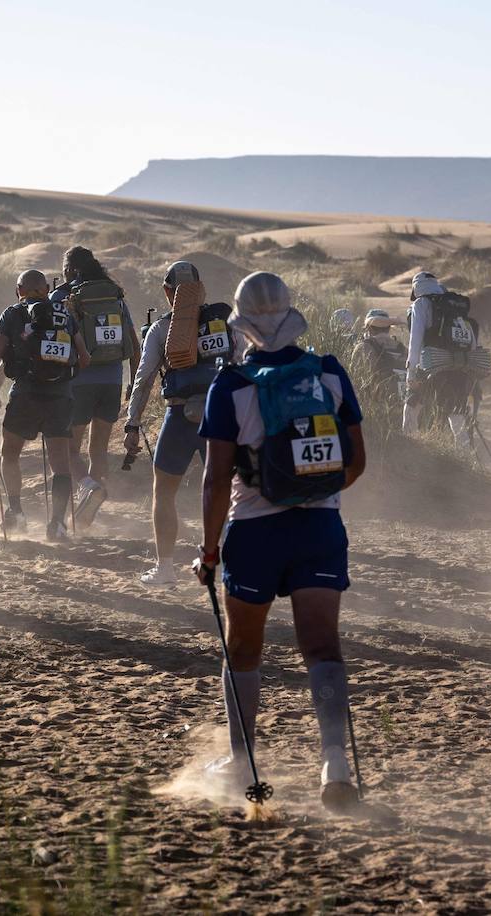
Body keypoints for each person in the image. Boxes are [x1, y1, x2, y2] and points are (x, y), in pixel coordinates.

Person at [195, 271, 366, 813]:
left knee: (243, 648)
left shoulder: (231, 385)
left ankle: (242, 760)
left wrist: (208, 548)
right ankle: (335, 763)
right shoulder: (330, 373)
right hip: (320, 530)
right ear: (292, 315)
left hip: (255, 534)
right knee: (322, 647)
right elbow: (356, 461)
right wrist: (313, 495)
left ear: (240, 324)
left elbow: (216, 478)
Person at [124, 261, 238, 585]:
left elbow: (143, 378)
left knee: (164, 492)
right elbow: (245, 363)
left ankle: (165, 568)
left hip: (180, 418)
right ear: (201, 289)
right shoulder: (224, 318)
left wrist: (133, 424)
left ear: (166, 291)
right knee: (225, 493)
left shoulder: (162, 328)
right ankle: (233, 567)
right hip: (222, 417)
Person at [0, 269, 90, 541]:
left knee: (11, 454)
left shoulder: (13, 314)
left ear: (19, 291)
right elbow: (84, 357)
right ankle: (58, 524)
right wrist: (66, 379)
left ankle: (16, 512)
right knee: (60, 462)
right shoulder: (65, 316)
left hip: (25, 394)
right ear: (45, 290)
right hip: (61, 397)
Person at [58, 247, 140, 528]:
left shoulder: (65, 296)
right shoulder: (114, 295)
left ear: (70, 269)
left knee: (69, 450)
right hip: (113, 380)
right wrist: (133, 382)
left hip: (78, 382)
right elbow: (133, 343)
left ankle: (88, 487)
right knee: (98, 450)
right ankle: (88, 514)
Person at [402, 272, 488, 447]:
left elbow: (415, 340)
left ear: (416, 289)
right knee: (456, 415)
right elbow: (472, 340)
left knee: (412, 405)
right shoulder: (455, 308)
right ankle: (465, 458)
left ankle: (408, 449)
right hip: (461, 368)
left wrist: (411, 373)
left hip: (433, 367)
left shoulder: (421, 304)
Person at [351, 308, 407, 409]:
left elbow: (355, 378)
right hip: (402, 403)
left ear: (369, 328)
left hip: (375, 403)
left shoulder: (363, 346)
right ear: (389, 328)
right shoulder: (402, 348)